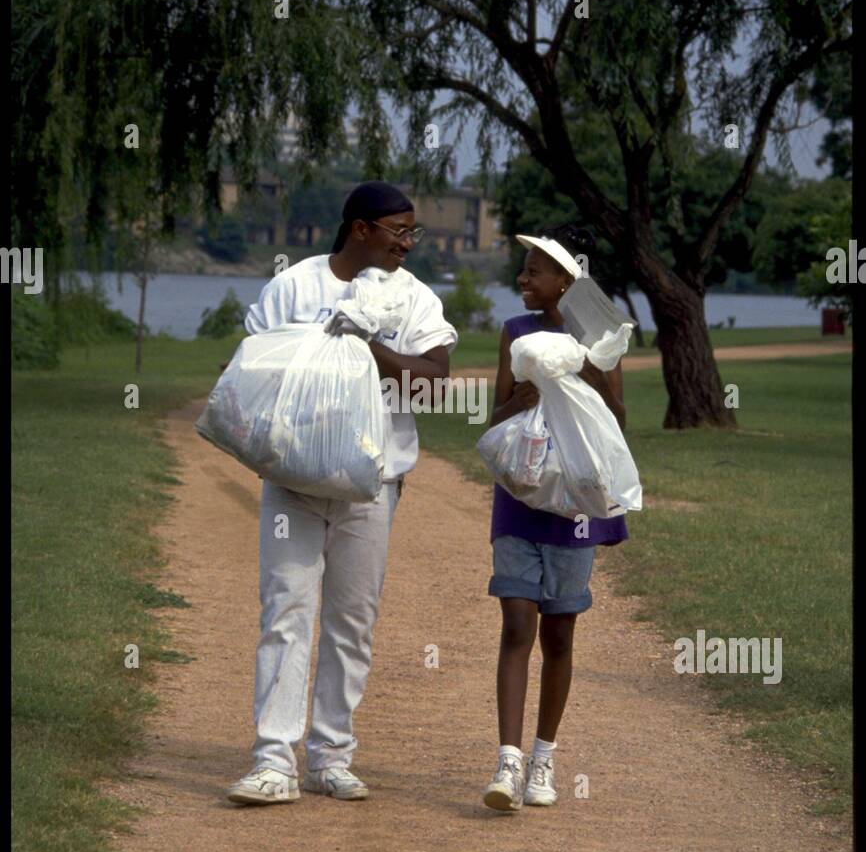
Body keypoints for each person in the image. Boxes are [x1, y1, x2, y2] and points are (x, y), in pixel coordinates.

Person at [227, 181, 457, 805]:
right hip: (293, 480)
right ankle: (274, 760)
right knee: (285, 611)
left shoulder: (412, 298)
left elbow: (436, 385)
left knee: (352, 619)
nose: (408, 244)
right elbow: (255, 372)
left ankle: (331, 754)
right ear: (360, 228)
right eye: (399, 231)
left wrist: (369, 346)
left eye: (414, 233)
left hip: (372, 485)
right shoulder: (294, 285)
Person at [482, 223, 629, 813]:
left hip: (572, 504)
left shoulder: (599, 336)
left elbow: (617, 418)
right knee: (517, 622)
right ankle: (507, 762)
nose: (523, 278)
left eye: (535, 270)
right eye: (524, 268)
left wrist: (582, 362)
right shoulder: (515, 332)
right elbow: (495, 415)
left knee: (560, 632)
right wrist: (522, 394)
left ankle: (545, 757)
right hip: (520, 494)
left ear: (567, 282)